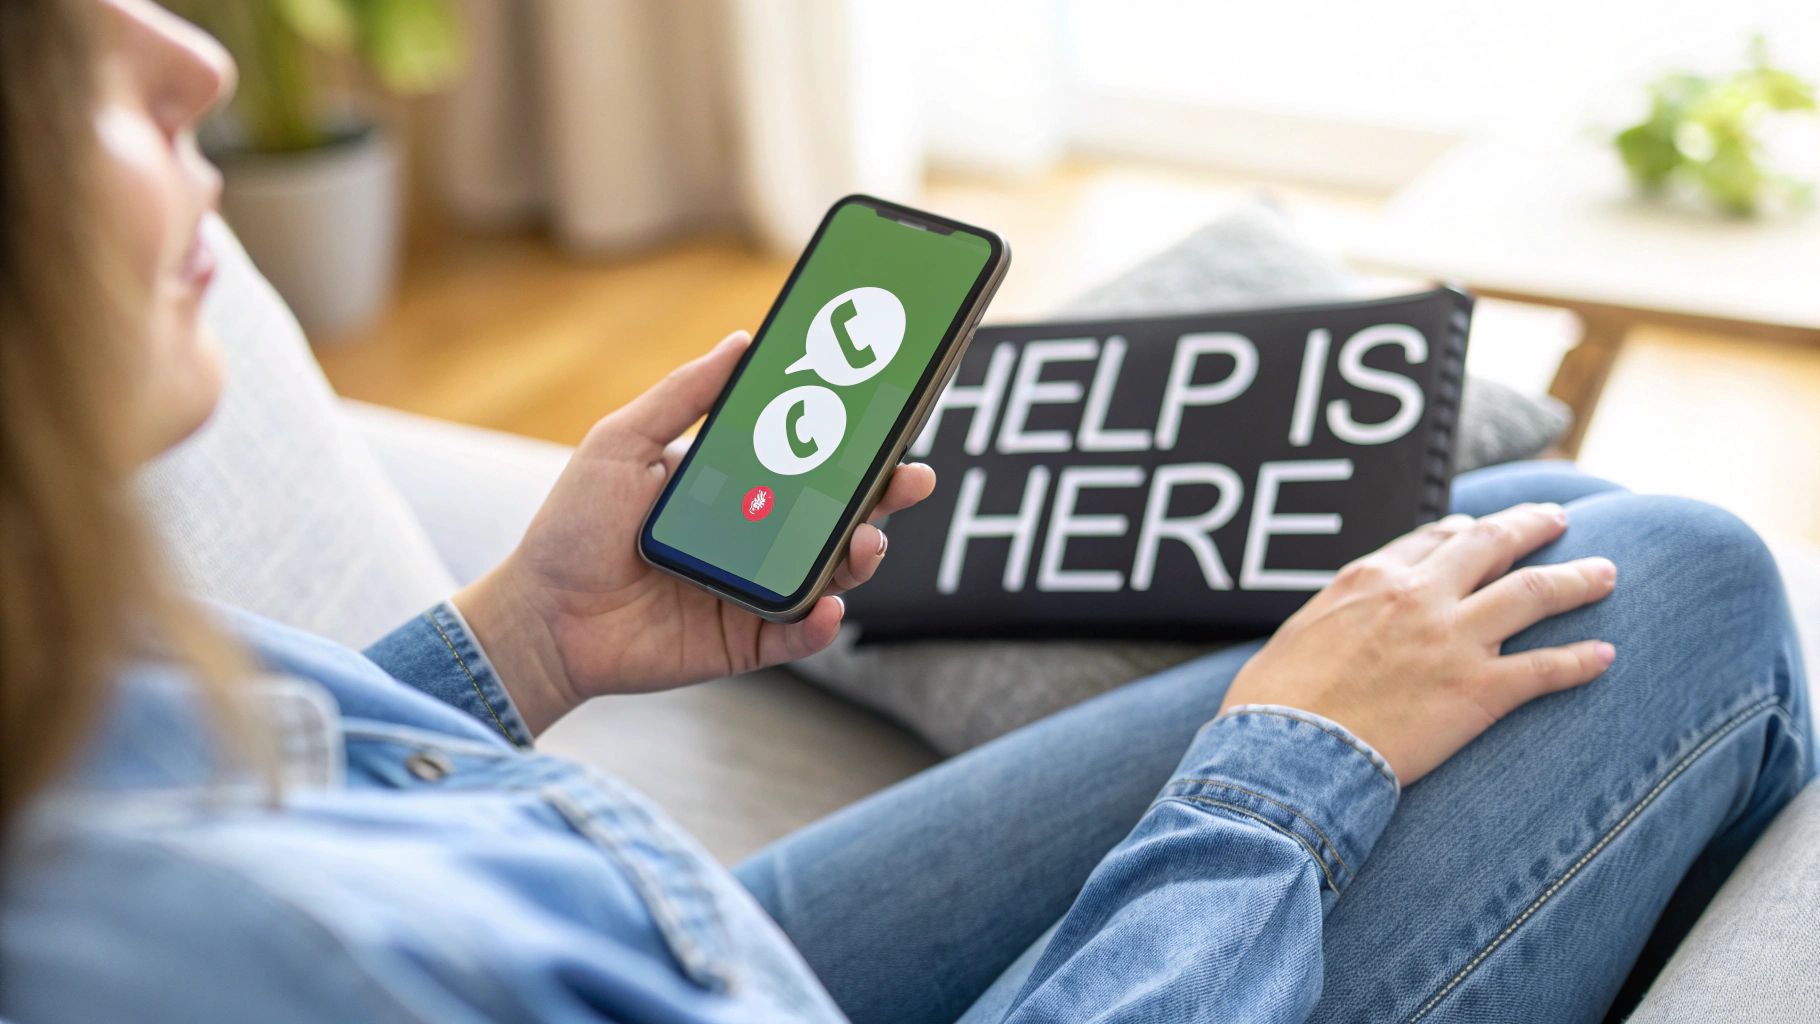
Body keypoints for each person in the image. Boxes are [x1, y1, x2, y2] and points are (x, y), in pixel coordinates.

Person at [0, 1, 1808, 1022]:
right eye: (47, 42)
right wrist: (1284, 772)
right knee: (1681, 586)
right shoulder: (226, 961)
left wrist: (515, 644)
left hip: (646, 939)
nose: (191, 54)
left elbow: (239, 775)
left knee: (1537, 516)